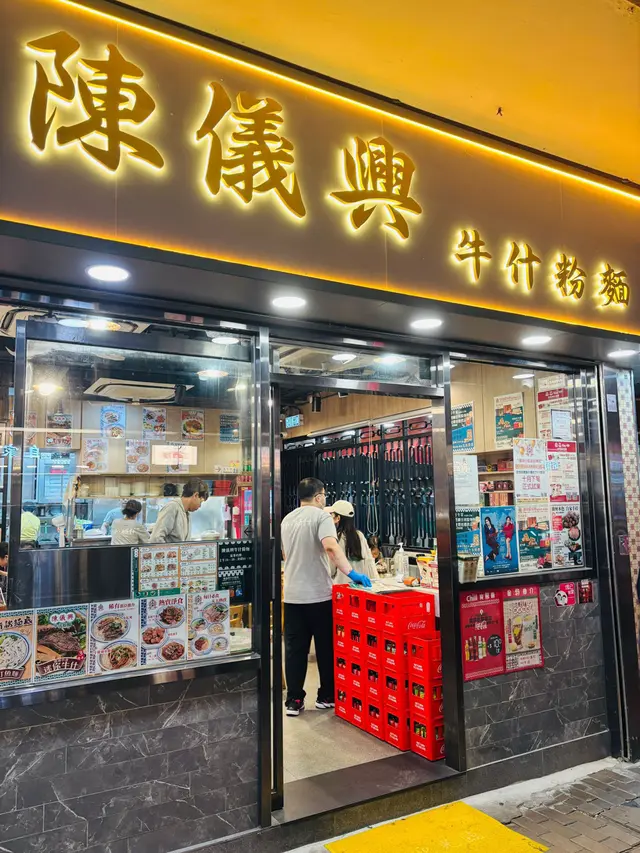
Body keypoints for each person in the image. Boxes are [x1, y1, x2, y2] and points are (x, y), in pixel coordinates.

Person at [281, 478, 372, 717]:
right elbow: (331, 547)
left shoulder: (287, 519)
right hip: (318, 594)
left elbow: (286, 554)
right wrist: (352, 573)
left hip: (292, 595)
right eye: (324, 495)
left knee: (294, 650)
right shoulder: (322, 517)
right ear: (319, 496)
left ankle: (294, 700)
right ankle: (326, 696)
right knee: (325, 647)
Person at [327, 501, 380, 583]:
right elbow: (369, 561)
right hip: (360, 585)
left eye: (332, 515)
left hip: (341, 585)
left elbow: (331, 568)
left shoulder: (336, 538)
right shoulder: (359, 535)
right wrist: (376, 581)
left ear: (338, 518)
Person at [151, 479, 209, 543]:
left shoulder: (186, 513)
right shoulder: (172, 507)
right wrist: (169, 549)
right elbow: (155, 538)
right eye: (200, 502)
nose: (200, 506)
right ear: (196, 495)